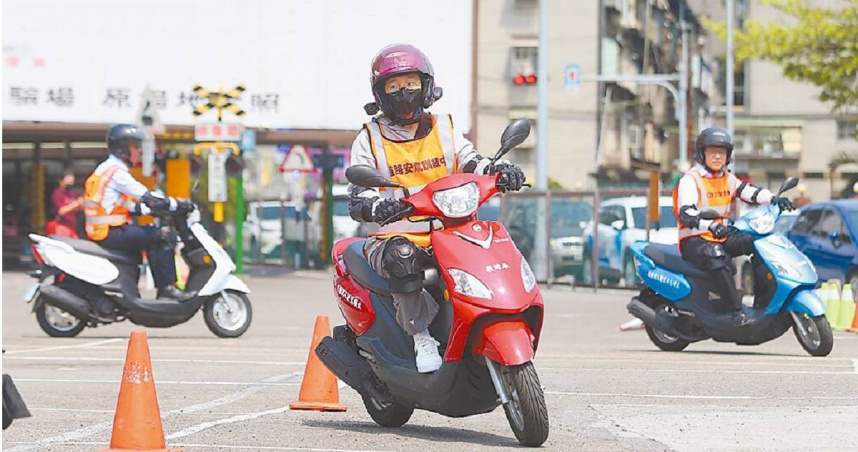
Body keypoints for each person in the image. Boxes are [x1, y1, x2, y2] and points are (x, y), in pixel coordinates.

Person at [347, 44, 526, 373]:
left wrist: (500, 172)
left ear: (427, 85)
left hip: (450, 231)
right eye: (394, 86)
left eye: (411, 83)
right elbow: (358, 191)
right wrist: (374, 205)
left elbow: (472, 161)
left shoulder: (445, 127)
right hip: (395, 236)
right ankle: (421, 336)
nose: (404, 92)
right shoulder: (369, 137)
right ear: (380, 92)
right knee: (402, 257)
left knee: (494, 246)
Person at [674, 127, 794, 325]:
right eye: (712, 152)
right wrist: (710, 225)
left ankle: (763, 303)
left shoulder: (727, 178)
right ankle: (735, 312)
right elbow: (686, 214)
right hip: (694, 240)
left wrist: (774, 199)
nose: (717, 156)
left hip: (721, 236)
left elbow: (750, 192)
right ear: (701, 154)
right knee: (716, 254)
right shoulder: (691, 180)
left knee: (759, 243)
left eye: (722, 152)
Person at [83, 124, 195, 300]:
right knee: (164, 235)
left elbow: (128, 205)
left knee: (147, 237)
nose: (139, 151)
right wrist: (177, 205)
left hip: (105, 230)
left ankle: (130, 294)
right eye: (135, 146)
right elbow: (150, 198)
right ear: (122, 148)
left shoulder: (107, 169)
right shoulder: (116, 172)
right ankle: (166, 289)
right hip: (109, 231)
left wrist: (150, 211)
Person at [48, 170, 83, 238]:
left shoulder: (72, 194)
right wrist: (76, 204)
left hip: (72, 227)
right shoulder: (57, 193)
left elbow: (79, 209)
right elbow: (61, 211)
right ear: (61, 181)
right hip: (61, 226)